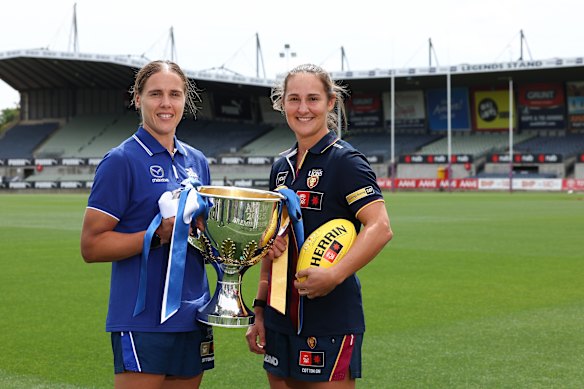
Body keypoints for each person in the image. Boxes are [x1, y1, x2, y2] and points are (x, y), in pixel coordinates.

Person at [246, 64, 393, 388]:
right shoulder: (279, 168)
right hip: (278, 317)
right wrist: (259, 309)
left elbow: (380, 227)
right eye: (294, 99)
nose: (302, 108)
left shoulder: (345, 162)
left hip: (330, 318)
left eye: (312, 99)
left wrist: (334, 275)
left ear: (330, 103)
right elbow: (272, 245)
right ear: (282, 103)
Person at [81, 60, 214, 389]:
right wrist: (156, 235)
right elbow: (91, 246)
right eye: (156, 94)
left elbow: (204, 235)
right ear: (137, 98)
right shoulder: (121, 160)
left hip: (194, 314)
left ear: (185, 100)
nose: (166, 103)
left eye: (175, 94)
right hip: (142, 319)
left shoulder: (197, 162)